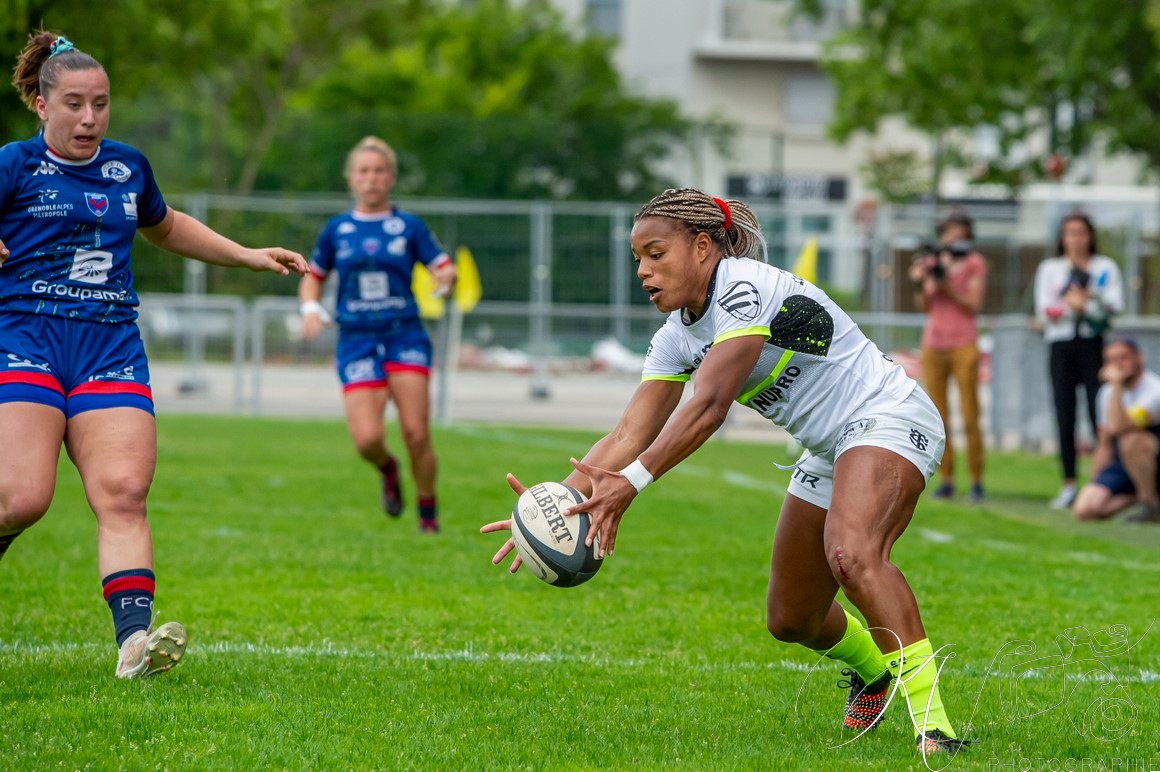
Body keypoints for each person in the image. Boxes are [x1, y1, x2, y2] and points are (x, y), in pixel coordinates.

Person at [481, 188, 966, 757]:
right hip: (829, 446)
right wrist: (558, 503)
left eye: (656, 254)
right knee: (791, 618)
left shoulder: (744, 285)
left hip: (885, 416)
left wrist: (631, 484)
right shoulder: (673, 340)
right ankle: (873, 674)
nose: (643, 271)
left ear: (704, 247)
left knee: (852, 553)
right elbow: (627, 434)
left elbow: (709, 407)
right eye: (637, 258)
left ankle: (937, 729)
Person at [0, 32, 307, 677]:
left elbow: (165, 226)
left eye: (102, 105)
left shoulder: (127, 167)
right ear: (40, 104)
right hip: (24, 339)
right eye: (75, 105)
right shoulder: (13, 166)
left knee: (124, 491)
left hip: (109, 345)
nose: (90, 119)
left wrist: (247, 253)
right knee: (21, 498)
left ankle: (134, 644)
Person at [299, 136, 456, 533]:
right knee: (368, 439)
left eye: (380, 170)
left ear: (391, 178)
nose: (372, 178)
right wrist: (310, 308)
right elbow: (313, 278)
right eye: (364, 171)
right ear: (351, 178)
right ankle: (388, 469)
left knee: (416, 433)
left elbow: (442, 265)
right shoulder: (337, 229)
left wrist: (444, 279)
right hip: (357, 338)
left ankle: (427, 515)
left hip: (404, 334)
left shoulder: (408, 226)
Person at [1034, 212, 1124, 510]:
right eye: (1069, 233)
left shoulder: (1104, 267)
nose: (1075, 238)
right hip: (1061, 345)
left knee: (1099, 411)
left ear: (1090, 235)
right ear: (1062, 237)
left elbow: (1114, 305)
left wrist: (1088, 305)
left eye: (1081, 232)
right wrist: (1070, 307)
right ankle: (1069, 482)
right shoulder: (1051, 269)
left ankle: (1102, 479)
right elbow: (1045, 309)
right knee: (1064, 413)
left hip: (1093, 344)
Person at [907, 212, 987, 502]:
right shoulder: (933, 263)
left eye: (960, 233)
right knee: (938, 416)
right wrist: (920, 281)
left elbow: (973, 304)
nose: (954, 238)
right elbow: (924, 305)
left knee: (969, 413)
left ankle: (977, 480)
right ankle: (947, 479)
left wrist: (947, 286)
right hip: (934, 343)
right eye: (949, 232)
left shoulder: (974, 262)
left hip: (964, 342)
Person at [1072, 338, 1160, 523]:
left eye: (1124, 358)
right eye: (1111, 360)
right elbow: (1105, 442)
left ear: (1139, 357)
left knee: (1132, 440)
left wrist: (1117, 386)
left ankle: (1150, 504)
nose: (1118, 365)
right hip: (1125, 462)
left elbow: (1120, 427)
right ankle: (1141, 495)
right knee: (1085, 508)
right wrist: (1097, 481)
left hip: (1151, 456)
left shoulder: (1155, 390)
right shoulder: (1106, 393)